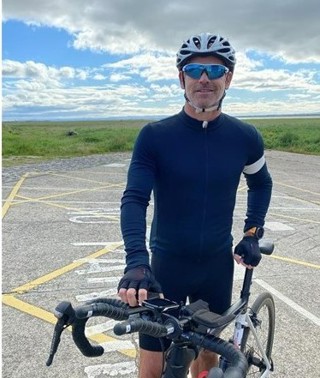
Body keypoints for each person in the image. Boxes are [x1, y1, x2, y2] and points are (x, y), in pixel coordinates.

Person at [118, 32, 273, 378]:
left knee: (209, 358)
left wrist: (252, 231)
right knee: (152, 369)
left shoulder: (244, 137)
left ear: (228, 79)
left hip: (216, 267)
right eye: (195, 70)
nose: (205, 78)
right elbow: (134, 199)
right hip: (165, 267)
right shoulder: (155, 136)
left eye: (216, 71)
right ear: (181, 78)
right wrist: (136, 262)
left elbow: (261, 182)